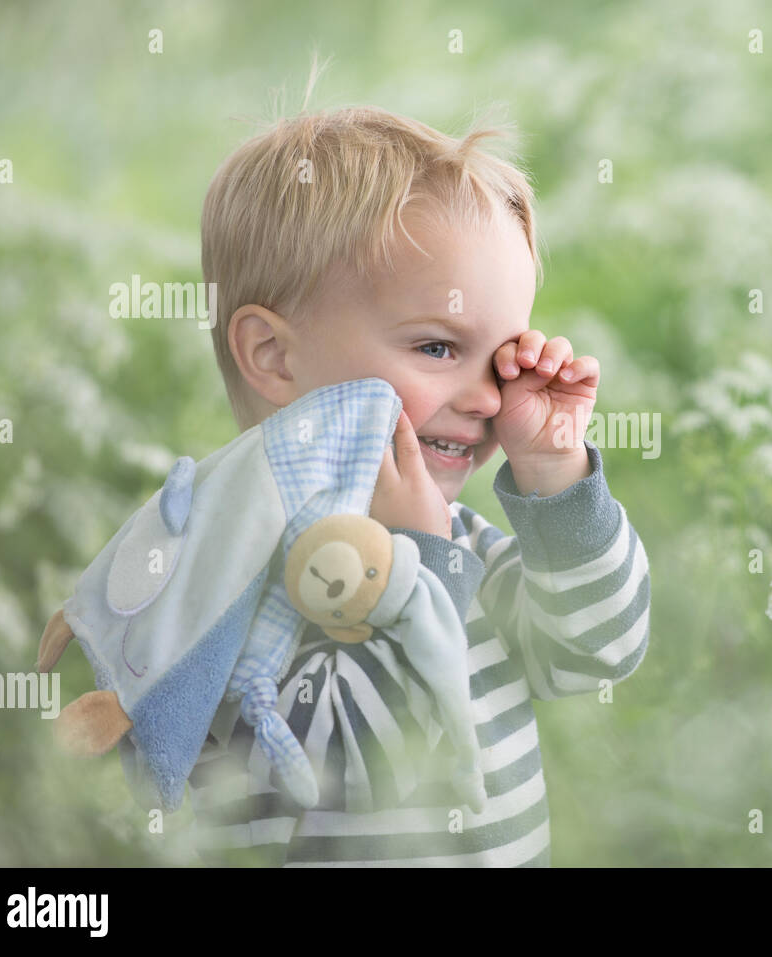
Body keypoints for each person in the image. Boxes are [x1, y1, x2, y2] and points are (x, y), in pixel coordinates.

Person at [185, 93, 650, 866]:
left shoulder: (462, 540)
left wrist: (553, 475)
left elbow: (597, 648)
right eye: (438, 348)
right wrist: (412, 569)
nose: (484, 397)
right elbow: (342, 775)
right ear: (273, 356)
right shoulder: (232, 579)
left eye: (502, 356)